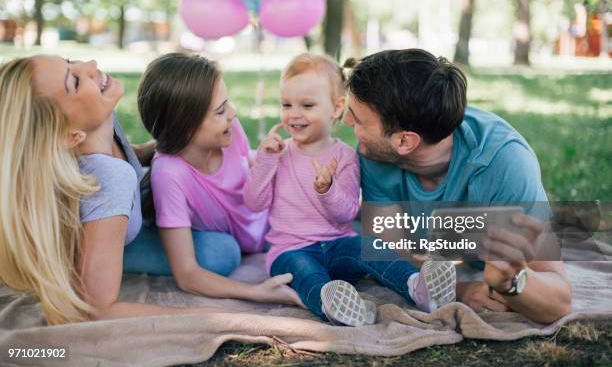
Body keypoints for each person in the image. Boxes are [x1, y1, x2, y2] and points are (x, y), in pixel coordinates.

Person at [0, 55, 299, 325]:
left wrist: (186, 136)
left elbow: (138, 153)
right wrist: (215, 314)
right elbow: (97, 307)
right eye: (75, 80)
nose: (90, 64)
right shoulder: (110, 181)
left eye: (70, 62)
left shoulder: (100, 121)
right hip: (99, 235)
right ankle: (84, 260)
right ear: (72, 134)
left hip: (119, 212)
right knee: (219, 253)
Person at [342, 48, 572, 324]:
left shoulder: (504, 165)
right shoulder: (373, 154)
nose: (345, 121)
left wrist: (511, 282)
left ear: (404, 141)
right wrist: (458, 289)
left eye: (356, 118)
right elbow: (394, 253)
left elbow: (558, 298)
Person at [244, 54, 457, 327]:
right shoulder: (278, 154)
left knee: (370, 247)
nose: (293, 114)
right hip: (290, 250)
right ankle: (332, 305)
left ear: (336, 108)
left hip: (337, 246)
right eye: (286, 104)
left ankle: (418, 286)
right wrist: (265, 161)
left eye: (307, 105)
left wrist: (327, 189)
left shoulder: (345, 157)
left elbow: (346, 214)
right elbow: (253, 203)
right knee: (305, 272)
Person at [134, 52, 302, 306]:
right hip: (231, 239)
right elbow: (187, 274)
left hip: (261, 226)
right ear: (186, 125)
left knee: (334, 206)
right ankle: (125, 249)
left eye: (228, 104)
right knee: (222, 254)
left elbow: (248, 168)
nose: (233, 114)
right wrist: (257, 292)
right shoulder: (170, 175)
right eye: (221, 110)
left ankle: (384, 247)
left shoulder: (230, 131)